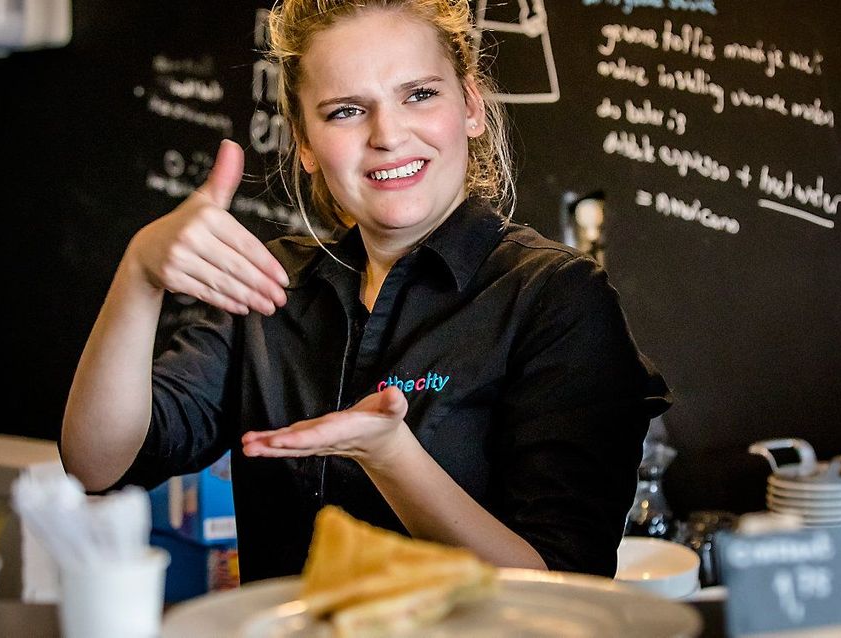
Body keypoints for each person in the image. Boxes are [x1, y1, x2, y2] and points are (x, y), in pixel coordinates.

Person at [60, 0, 670, 582]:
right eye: (345, 110)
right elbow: (97, 462)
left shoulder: (554, 298)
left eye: (420, 95)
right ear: (302, 141)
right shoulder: (271, 289)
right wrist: (140, 274)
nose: (387, 134)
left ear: (472, 106)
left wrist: (391, 457)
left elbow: (561, 596)